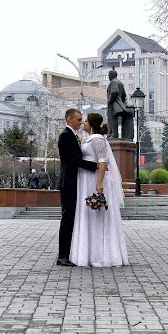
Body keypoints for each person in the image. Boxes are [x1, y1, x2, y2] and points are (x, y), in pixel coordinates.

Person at [70, 113, 128, 267]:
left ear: (92, 124)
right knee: (90, 214)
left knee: (98, 216)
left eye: (86, 121)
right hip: (86, 179)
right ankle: (89, 253)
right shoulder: (89, 139)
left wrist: (99, 183)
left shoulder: (97, 140)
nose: (83, 123)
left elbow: (103, 161)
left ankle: (102, 255)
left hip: (94, 179)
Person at [56, 108, 99, 266]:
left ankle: (66, 254)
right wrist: (96, 166)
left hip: (73, 182)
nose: (81, 122)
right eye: (78, 119)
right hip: (68, 182)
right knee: (67, 219)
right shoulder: (65, 136)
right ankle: (62, 256)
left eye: (82, 120)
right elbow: (75, 161)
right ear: (69, 120)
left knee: (71, 218)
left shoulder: (72, 136)